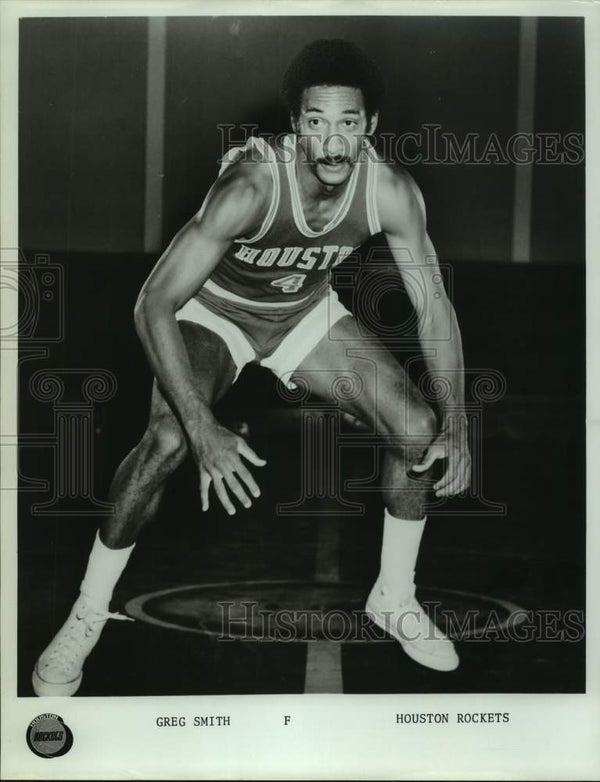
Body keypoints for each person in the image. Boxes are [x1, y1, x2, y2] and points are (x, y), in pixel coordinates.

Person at [32, 39, 471, 697]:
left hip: (303, 312)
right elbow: (154, 300)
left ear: (370, 128)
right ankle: (88, 614)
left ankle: (394, 596)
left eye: (348, 123)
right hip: (215, 313)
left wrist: (458, 422)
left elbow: (433, 306)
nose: (331, 140)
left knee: (417, 428)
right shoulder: (250, 187)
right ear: (296, 123)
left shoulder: (392, 194)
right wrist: (204, 424)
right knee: (169, 441)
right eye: (316, 121)